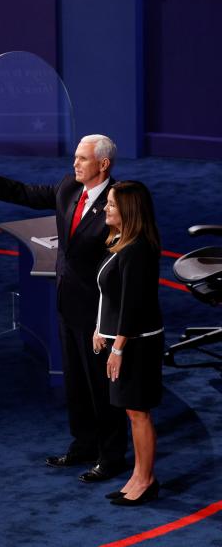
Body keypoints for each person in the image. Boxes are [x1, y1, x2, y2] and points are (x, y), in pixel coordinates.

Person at [0, 135, 128, 483]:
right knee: (77, 381)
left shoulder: (120, 201)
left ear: (104, 164)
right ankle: (83, 443)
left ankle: (111, 456)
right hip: (67, 303)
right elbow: (28, 194)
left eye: (82, 159)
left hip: (99, 311)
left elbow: (124, 263)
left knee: (102, 385)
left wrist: (110, 320)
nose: (75, 164)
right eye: (75, 157)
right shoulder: (68, 187)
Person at [93, 181, 163, 506]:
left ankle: (146, 480)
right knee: (132, 412)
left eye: (110, 204)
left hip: (138, 345)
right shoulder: (123, 241)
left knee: (139, 413)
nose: (105, 208)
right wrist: (99, 330)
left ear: (128, 210)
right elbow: (110, 296)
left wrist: (118, 347)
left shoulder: (138, 250)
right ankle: (137, 475)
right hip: (121, 340)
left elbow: (133, 306)